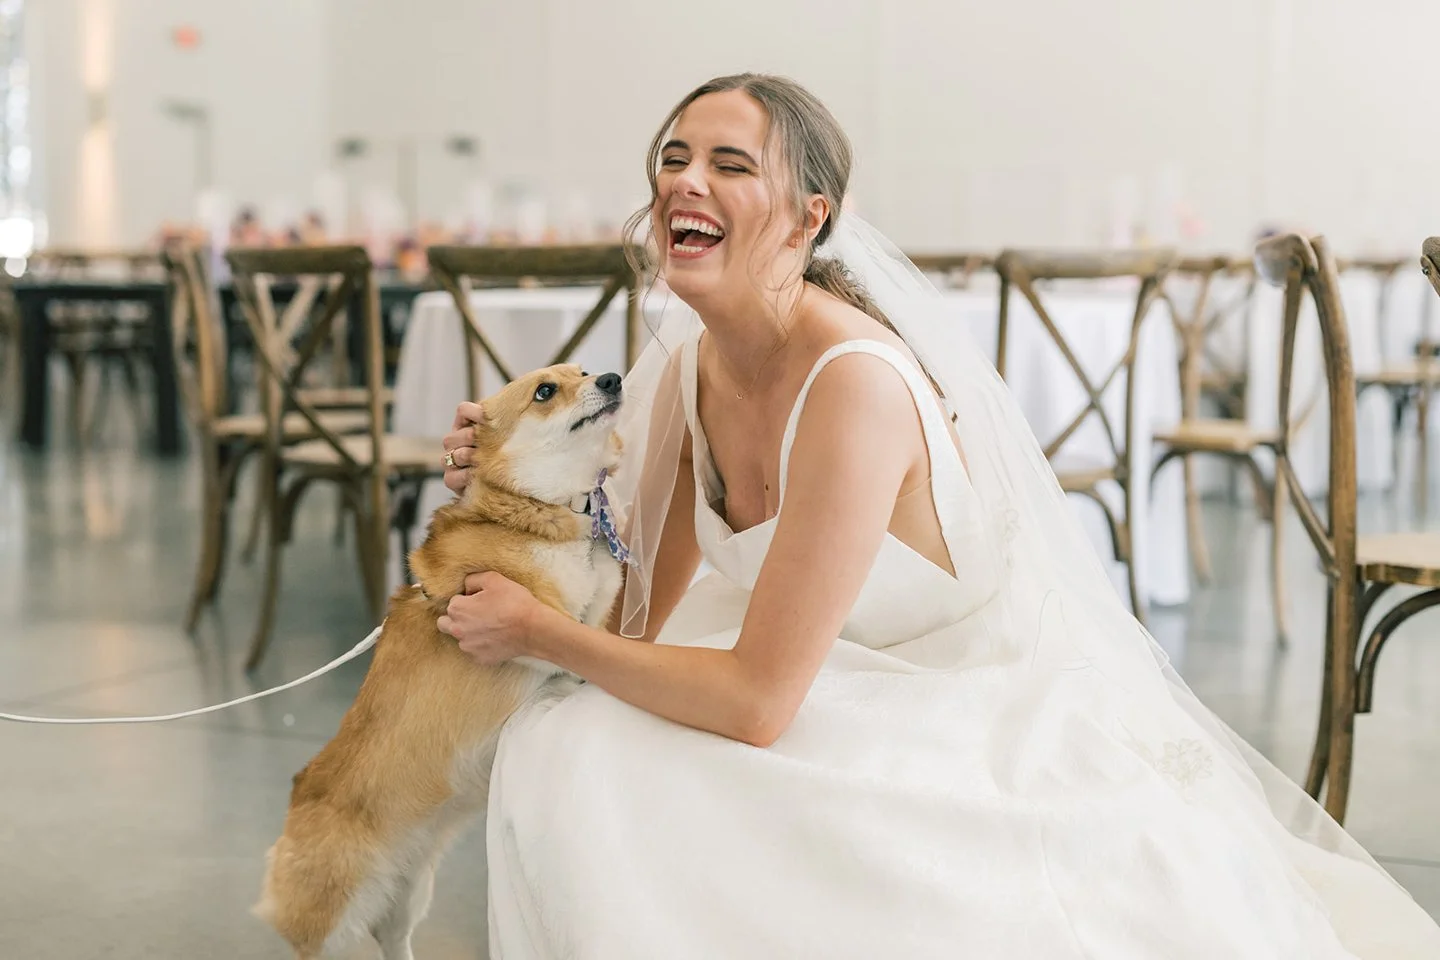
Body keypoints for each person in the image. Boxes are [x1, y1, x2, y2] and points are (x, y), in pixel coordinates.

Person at [436, 73, 1440, 958]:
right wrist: (521, 488)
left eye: (728, 164)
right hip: (808, 672)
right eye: (673, 157)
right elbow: (633, 627)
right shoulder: (695, 364)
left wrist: (538, 633)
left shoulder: (852, 385)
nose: (684, 181)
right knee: (572, 745)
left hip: (945, 702)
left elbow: (755, 704)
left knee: (621, 765)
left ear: (806, 219)